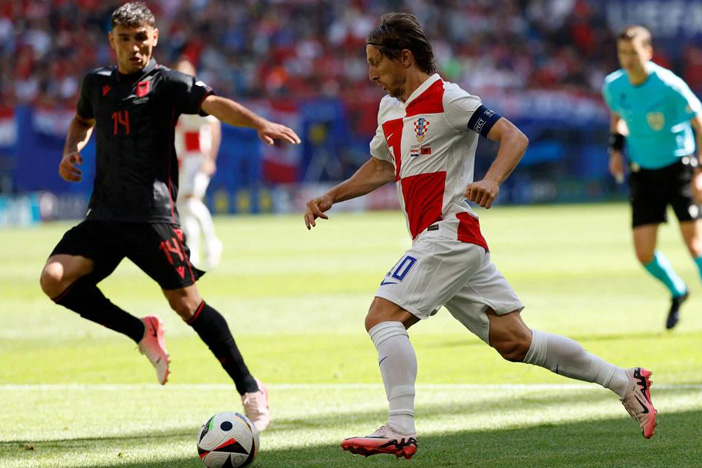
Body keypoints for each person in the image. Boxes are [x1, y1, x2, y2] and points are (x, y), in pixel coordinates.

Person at [304, 13, 657, 460]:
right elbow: (381, 166)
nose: (371, 74)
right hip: (447, 243)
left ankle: (400, 427)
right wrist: (332, 195)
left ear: (404, 57)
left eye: (376, 62)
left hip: (448, 232)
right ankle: (625, 381)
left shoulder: (448, 98)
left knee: (382, 318)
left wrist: (491, 180)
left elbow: (513, 137)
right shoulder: (390, 108)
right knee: (516, 341)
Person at [38, 2, 300, 432]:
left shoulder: (167, 84)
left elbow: (215, 104)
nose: (134, 47)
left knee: (187, 305)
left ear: (154, 38)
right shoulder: (95, 83)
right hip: (104, 217)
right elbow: (82, 121)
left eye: (141, 38)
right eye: (125, 39)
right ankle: (141, 331)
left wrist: (258, 123)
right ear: (112, 41)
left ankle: (251, 387)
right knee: (53, 279)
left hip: (153, 216)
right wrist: (72, 150)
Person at [603, 25, 702, 330]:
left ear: (648, 52)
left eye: (633, 53)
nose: (628, 59)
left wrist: (700, 171)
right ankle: (678, 290)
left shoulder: (669, 86)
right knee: (644, 253)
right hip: (643, 173)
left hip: (679, 168)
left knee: (695, 245)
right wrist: (616, 150)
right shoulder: (614, 85)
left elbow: (700, 122)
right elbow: (619, 116)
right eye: (623, 53)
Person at [174, 58, 223, 270]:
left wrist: (210, 158)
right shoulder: (173, 98)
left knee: (190, 201)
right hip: (181, 160)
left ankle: (212, 243)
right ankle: (192, 253)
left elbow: (214, 126)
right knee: (182, 206)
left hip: (198, 157)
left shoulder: (200, 96)